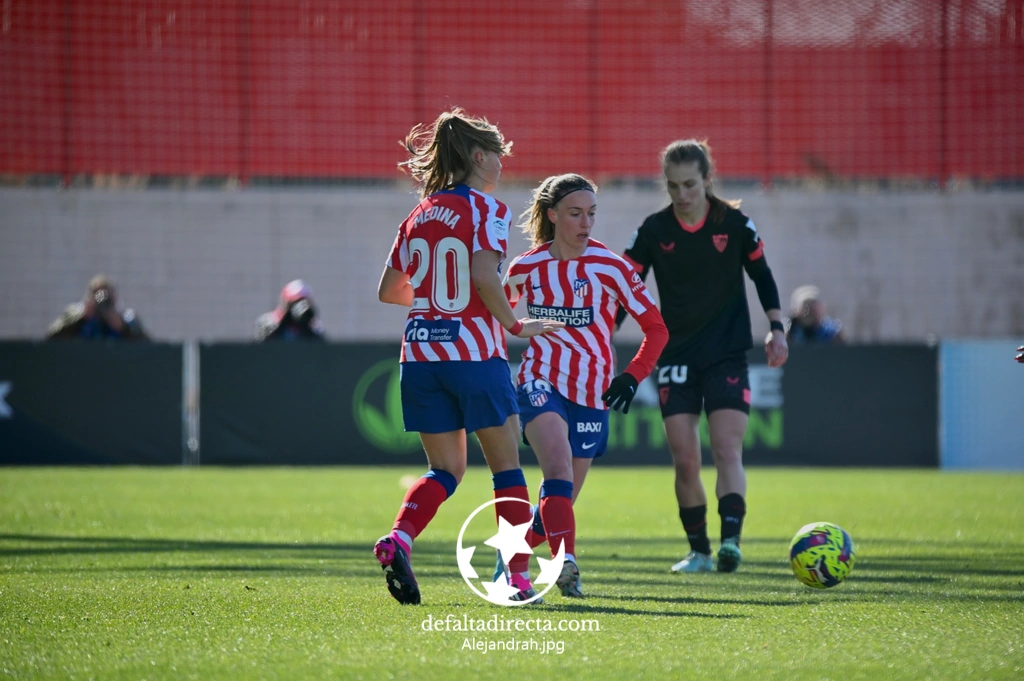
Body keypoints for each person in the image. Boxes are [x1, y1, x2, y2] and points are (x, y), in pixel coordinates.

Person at [372, 108, 564, 605]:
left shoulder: (417, 214)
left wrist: (440, 297)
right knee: (507, 469)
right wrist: (516, 324)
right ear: (479, 156)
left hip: (418, 355)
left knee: (445, 471)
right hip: (474, 355)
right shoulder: (487, 210)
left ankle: (399, 538)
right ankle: (516, 579)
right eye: (498, 153)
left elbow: (390, 290)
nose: (503, 162)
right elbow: (483, 274)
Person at [615, 139, 788, 574]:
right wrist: (604, 335)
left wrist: (777, 328)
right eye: (673, 186)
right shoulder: (654, 230)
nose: (681, 194)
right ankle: (699, 551)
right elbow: (624, 286)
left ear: (708, 180)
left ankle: (731, 542)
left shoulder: (736, 224)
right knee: (685, 458)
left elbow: (761, 276)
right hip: (675, 355)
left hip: (727, 353)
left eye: (690, 184)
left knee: (727, 449)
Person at [498, 173, 668, 597]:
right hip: (540, 380)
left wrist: (632, 375)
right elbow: (494, 319)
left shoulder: (612, 267)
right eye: (575, 213)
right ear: (553, 215)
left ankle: (512, 559)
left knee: (557, 504)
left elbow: (657, 329)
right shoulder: (526, 267)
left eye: (591, 214)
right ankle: (565, 563)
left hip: (593, 392)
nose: (585, 222)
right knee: (555, 469)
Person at [46, 274, 148, 341]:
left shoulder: (128, 318)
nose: (101, 301)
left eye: (106, 296)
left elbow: (147, 346)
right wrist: (80, 319)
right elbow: (51, 337)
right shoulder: (75, 313)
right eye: (98, 296)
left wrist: (124, 328)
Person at [253, 280, 326, 342]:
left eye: (303, 302)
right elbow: (258, 347)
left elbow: (321, 351)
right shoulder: (268, 321)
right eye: (295, 302)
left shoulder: (314, 328)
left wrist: (307, 328)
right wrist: (280, 323)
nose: (300, 306)